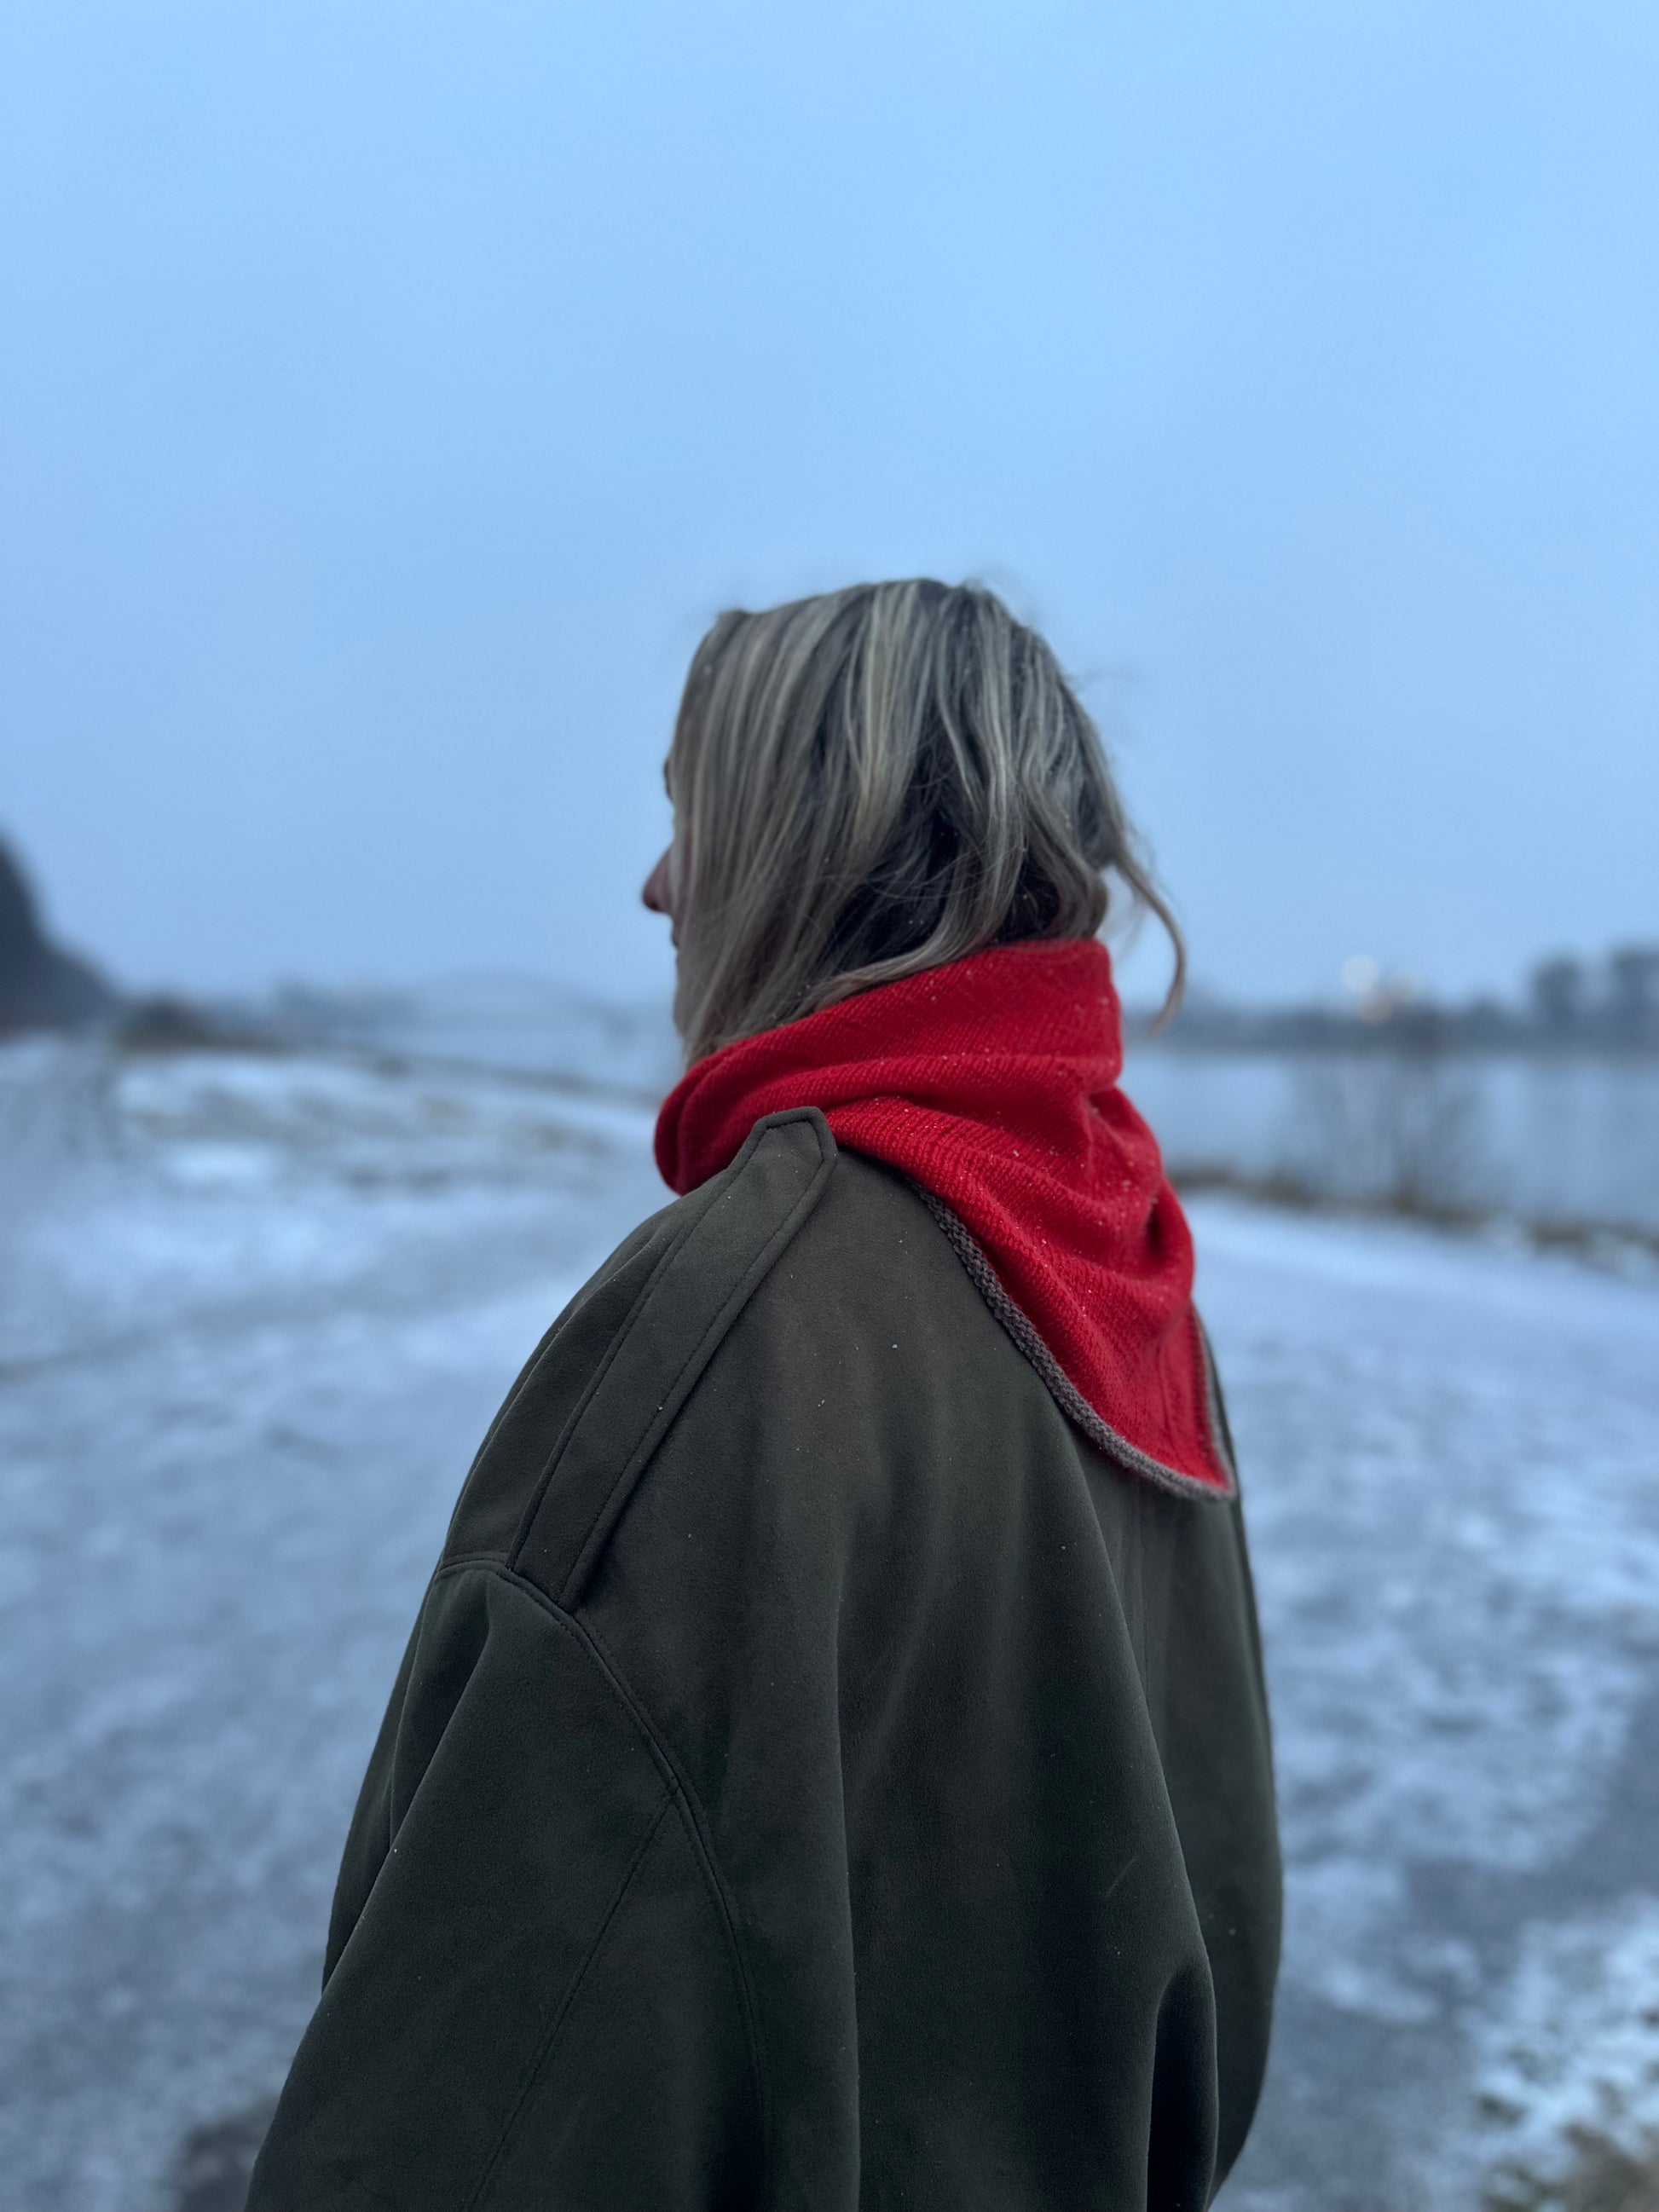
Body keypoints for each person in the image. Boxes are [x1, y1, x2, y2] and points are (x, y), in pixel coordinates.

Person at [248, 580, 1280, 2211]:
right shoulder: (1127, 1261)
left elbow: (476, 2104)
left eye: (692, 817)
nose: (657, 888)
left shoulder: (738, 1316)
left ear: (808, 849)